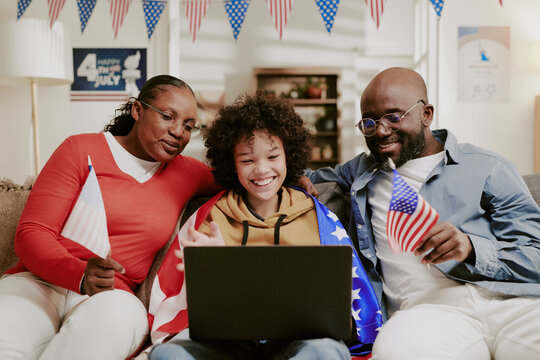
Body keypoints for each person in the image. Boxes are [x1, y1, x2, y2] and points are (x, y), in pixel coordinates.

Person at [302, 67, 540, 359]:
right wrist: (293, 178)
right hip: (428, 314)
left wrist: (472, 248)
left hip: (513, 303)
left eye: (393, 117)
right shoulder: (361, 171)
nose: (381, 131)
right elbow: (283, 171)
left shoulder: (487, 167)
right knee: (395, 352)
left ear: (426, 114)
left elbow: (536, 255)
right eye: (369, 121)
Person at [145, 91, 383, 360]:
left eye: (272, 157)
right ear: (232, 164)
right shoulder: (210, 218)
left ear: (288, 157)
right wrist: (209, 266)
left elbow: (350, 310)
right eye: (247, 160)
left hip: (299, 341)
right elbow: (181, 306)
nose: (261, 170)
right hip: (225, 344)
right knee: (167, 356)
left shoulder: (320, 219)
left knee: (325, 352)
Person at [0, 75, 220, 360]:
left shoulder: (188, 172)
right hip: (40, 282)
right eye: (168, 117)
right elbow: (31, 234)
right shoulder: (79, 149)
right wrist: (79, 274)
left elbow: (248, 173)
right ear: (137, 110)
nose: (179, 131)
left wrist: (296, 180)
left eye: (189, 125)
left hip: (113, 297)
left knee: (107, 328)